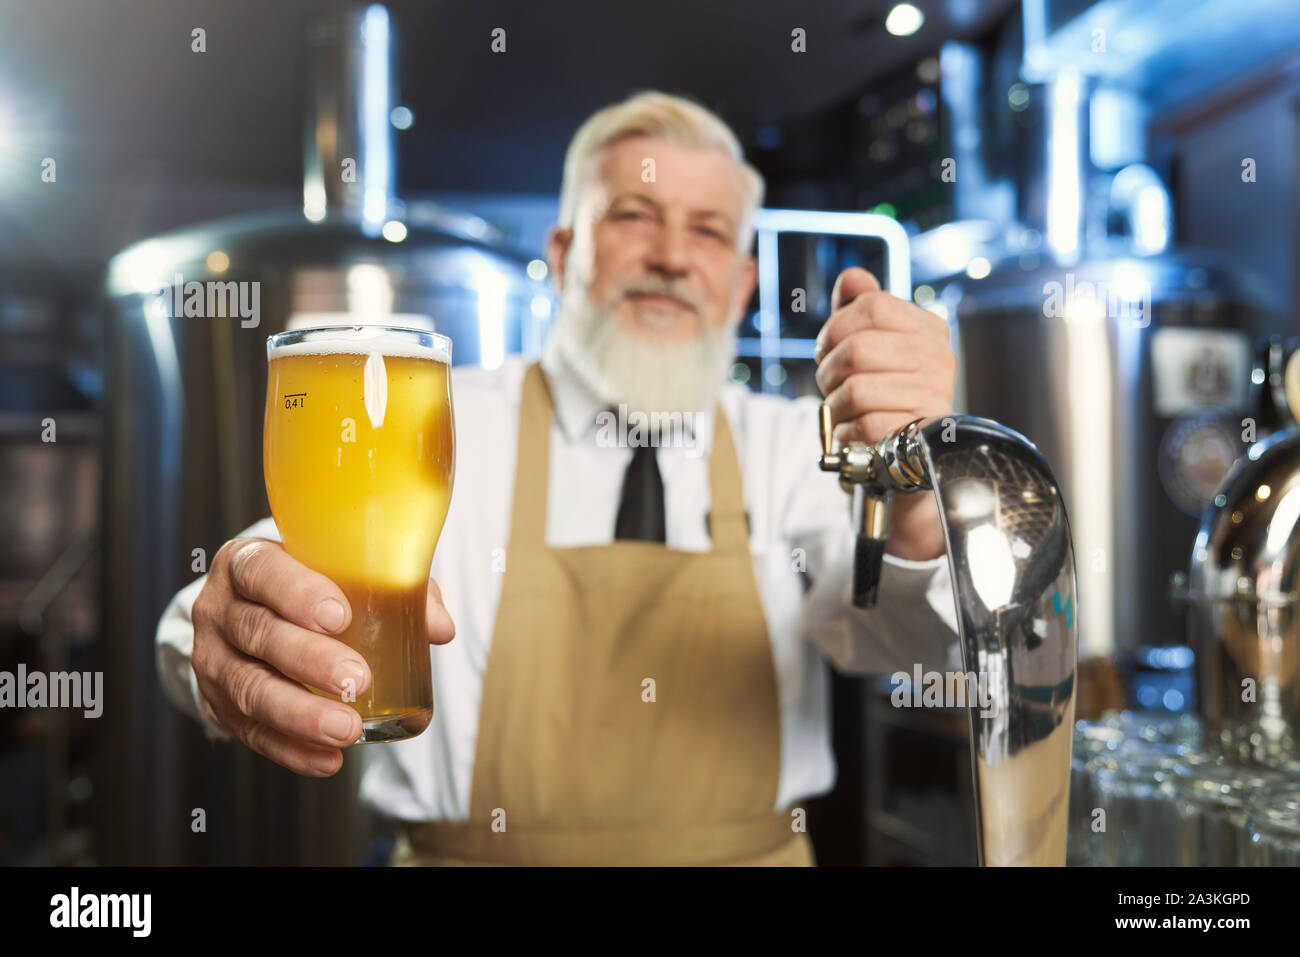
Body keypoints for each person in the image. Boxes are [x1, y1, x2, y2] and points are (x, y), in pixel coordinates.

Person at [155, 89, 961, 866]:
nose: (672, 258)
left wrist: (923, 486)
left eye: (709, 232)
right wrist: (228, 634)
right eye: (634, 215)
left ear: (742, 284)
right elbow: (256, 582)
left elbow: (908, 637)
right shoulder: (438, 415)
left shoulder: (792, 445)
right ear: (564, 250)